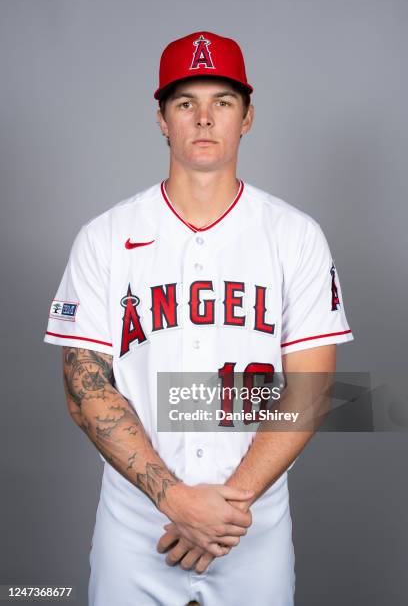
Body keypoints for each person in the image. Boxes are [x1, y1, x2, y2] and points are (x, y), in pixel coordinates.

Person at [43, 30, 354, 606]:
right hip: (136, 525)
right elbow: (83, 387)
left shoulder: (295, 235)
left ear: (248, 116)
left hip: (251, 527)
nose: (205, 119)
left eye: (223, 102)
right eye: (186, 103)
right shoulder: (105, 237)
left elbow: (311, 387)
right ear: (162, 118)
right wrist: (176, 501)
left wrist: (226, 508)